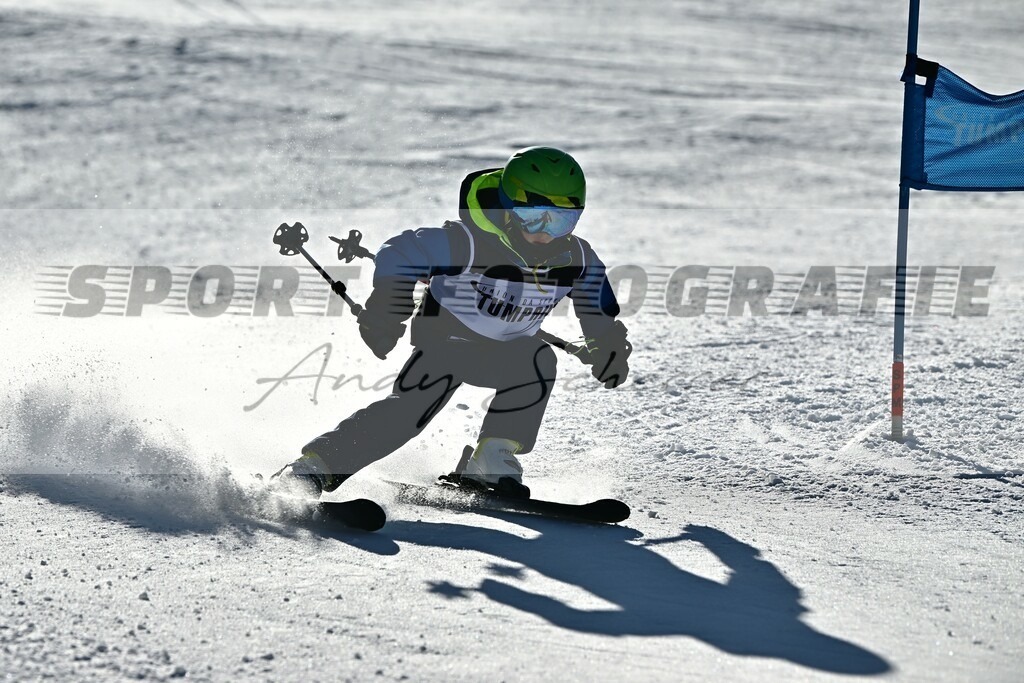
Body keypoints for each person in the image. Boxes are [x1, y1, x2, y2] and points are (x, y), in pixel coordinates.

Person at [274, 146, 631, 498]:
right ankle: (312, 468)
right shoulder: (468, 242)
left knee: (539, 359)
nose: (545, 231)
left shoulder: (575, 258)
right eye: (533, 215)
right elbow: (397, 253)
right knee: (407, 414)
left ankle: (491, 462)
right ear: (508, 207)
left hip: (510, 355)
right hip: (444, 347)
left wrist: (606, 345)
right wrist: (389, 308)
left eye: (561, 219)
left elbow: (595, 301)